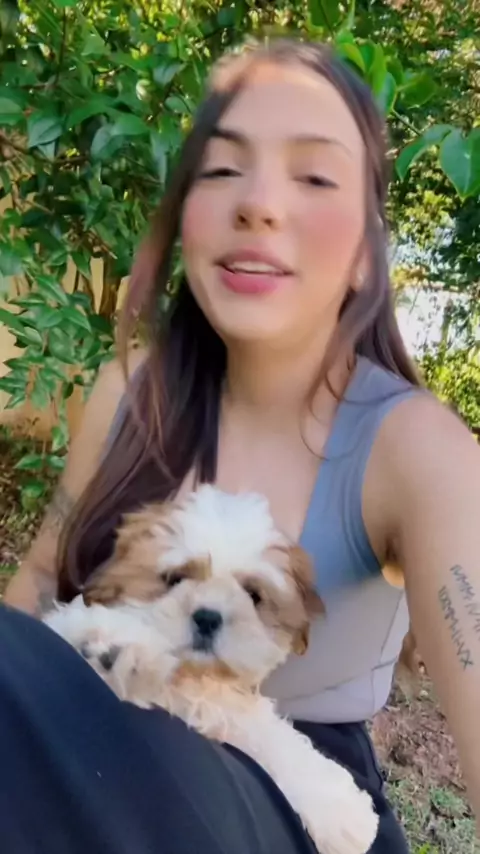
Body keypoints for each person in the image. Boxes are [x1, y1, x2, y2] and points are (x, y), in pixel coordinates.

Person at [3, 38, 480, 854]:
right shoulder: (129, 393)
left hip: (299, 803)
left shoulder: (416, 449)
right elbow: (39, 589)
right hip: (97, 739)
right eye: (223, 169)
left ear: (367, 254)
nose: (258, 203)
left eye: (314, 176)